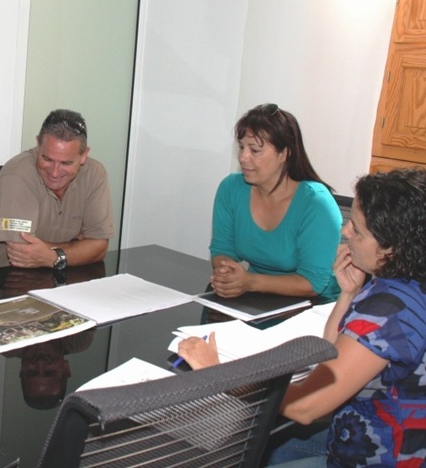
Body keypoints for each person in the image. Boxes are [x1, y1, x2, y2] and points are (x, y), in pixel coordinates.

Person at [179, 167, 426, 466]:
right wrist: (347, 294)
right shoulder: (401, 283)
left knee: (233, 455)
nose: (345, 231)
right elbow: (333, 352)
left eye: (357, 231)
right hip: (363, 429)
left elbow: (307, 408)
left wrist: (215, 371)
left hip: (379, 452)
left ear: (391, 249)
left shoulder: (388, 312)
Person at [209, 103, 342, 301]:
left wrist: (251, 282)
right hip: (257, 299)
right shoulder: (231, 189)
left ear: (284, 154)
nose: (243, 157)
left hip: (315, 306)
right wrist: (227, 272)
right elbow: (222, 249)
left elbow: (313, 282)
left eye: (254, 150)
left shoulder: (316, 204)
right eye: (242, 147)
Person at [0, 109, 114, 270]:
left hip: (62, 272)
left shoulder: (95, 173)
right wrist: (77, 245)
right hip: (3, 275)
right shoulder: (17, 174)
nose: (55, 172)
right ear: (38, 145)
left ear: (84, 155)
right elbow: (21, 251)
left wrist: (52, 257)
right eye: (47, 159)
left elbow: (99, 248)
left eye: (66, 163)